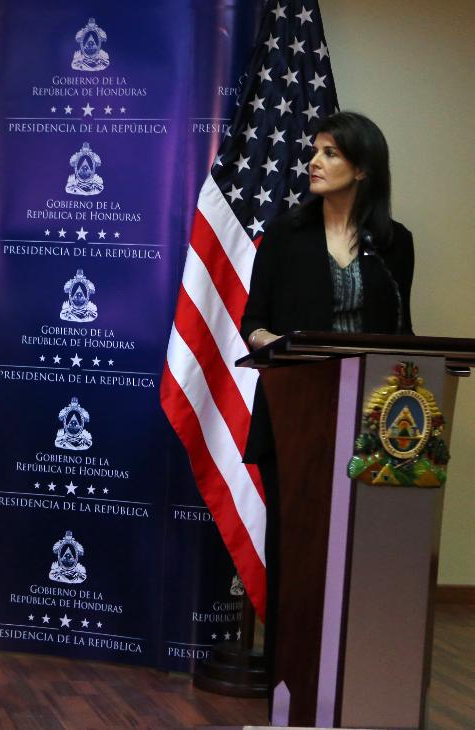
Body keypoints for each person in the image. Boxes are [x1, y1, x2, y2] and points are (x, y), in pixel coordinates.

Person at [239, 111, 414, 694]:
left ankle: (360, 673)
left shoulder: (394, 244)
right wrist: (274, 341)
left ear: (362, 169)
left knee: (366, 547)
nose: (314, 162)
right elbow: (254, 321)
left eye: (330, 153)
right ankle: (288, 674)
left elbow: (402, 331)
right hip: (298, 413)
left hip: (371, 421)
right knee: (297, 544)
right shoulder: (284, 235)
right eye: (315, 151)